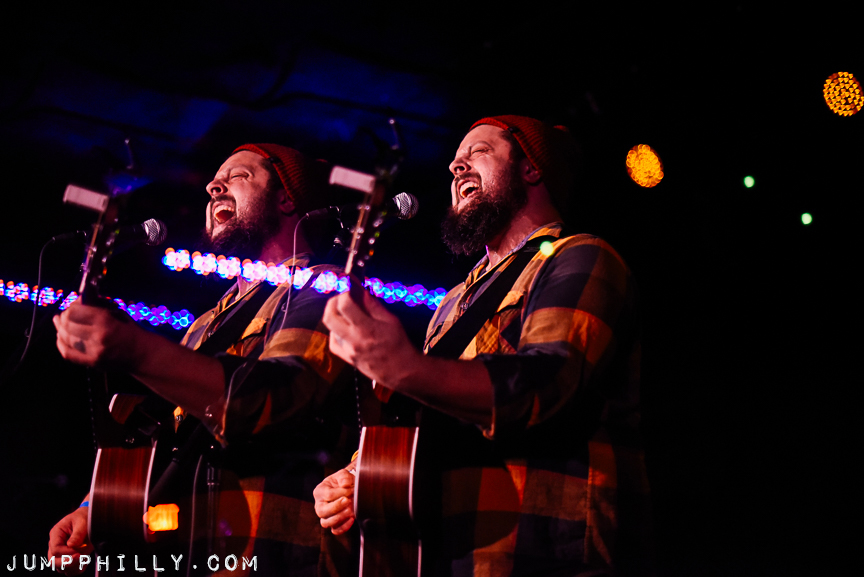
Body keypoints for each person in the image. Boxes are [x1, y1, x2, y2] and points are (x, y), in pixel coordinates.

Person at [315, 116, 653, 576]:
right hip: (453, 545)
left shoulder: (582, 255)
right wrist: (361, 472)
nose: (456, 166)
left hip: (544, 545)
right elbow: (429, 415)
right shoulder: (452, 301)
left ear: (531, 169)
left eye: (479, 151)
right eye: (455, 160)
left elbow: (546, 384)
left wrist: (405, 367)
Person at [49, 144, 357, 576]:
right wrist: (95, 507)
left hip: (276, 555)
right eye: (215, 181)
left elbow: (274, 398)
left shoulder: (323, 286)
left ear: (286, 199)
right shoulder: (205, 324)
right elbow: (170, 435)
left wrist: (136, 350)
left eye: (239, 176)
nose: (214, 187)